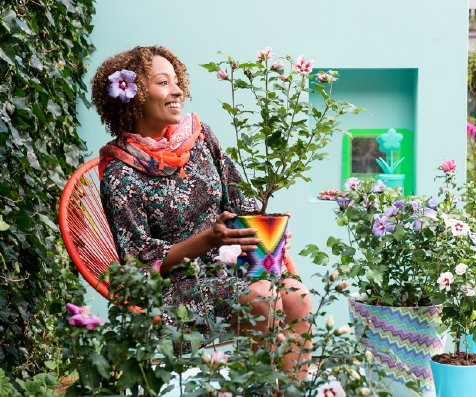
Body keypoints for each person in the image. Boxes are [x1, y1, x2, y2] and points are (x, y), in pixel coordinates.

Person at [91, 46, 312, 377]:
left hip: (230, 269)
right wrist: (210, 239)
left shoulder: (199, 137)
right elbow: (139, 263)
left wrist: (262, 234)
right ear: (132, 97)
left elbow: (240, 201)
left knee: (297, 296)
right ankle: (248, 385)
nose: (178, 90)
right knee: (263, 296)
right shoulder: (120, 172)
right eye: (163, 83)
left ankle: (289, 388)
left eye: (177, 81)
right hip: (175, 288)